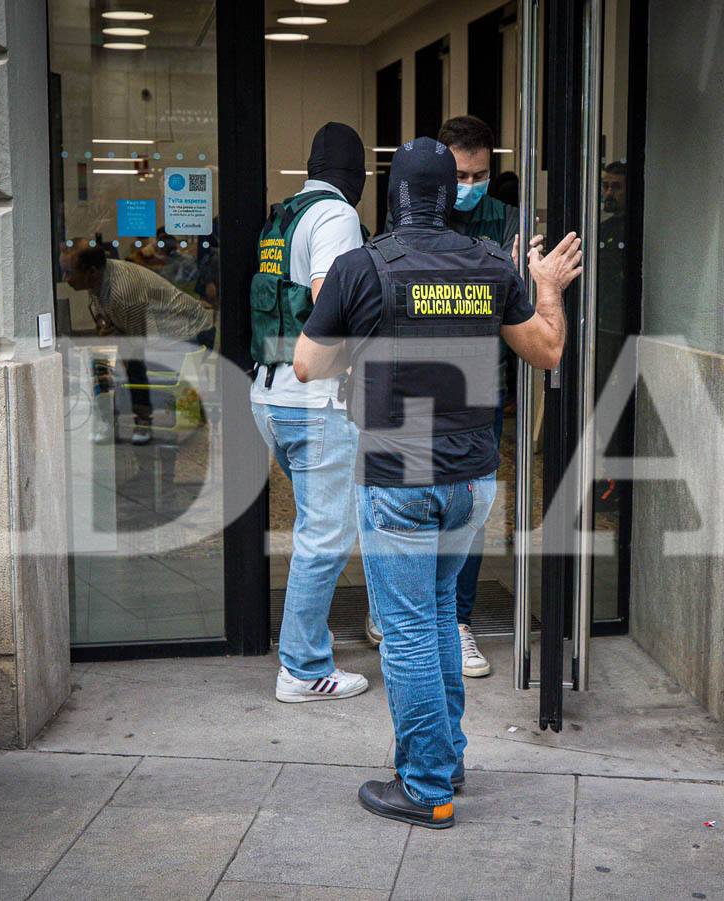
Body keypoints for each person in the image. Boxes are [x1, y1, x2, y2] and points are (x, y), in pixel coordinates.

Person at [293, 137, 581, 828]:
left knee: (412, 628)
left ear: (393, 195)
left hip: (398, 475)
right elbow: (546, 350)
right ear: (451, 194)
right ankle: (445, 758)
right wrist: (545, 286)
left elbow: (306, 365)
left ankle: (425, 787)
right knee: (442, 620)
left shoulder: (363, 267)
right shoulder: (487, 264)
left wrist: (342, 314)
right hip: (472, 477)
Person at [370, 115, 520, 679]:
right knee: (403, 507)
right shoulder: (403, 218)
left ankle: (457, 620)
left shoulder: (505, 219)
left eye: (479, 174)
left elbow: (515, 298)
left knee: (467, 513)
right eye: (458, 174)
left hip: (478, 392)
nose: (468, 185)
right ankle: (400, 611)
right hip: (408, 392)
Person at [249, 122, 371, 703]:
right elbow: (332, 297)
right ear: (358, 176)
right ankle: (301, 668)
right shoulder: (338, 216)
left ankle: (308, 642)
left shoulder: (284, 215)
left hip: (269, 397)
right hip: (313, 399)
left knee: (312, 527)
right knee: (324, 535)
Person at [61, 246, 214, 445]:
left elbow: (134, 345)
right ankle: (110, 420)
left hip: (189, 331)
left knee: (131, 364)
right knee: (101, 361)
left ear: (91, 272)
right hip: (157, 331)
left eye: (69, 272)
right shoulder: (99, 280)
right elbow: (106, 324)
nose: (66, 279)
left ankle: (142, 421)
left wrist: (112, 339)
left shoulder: (123, 293)